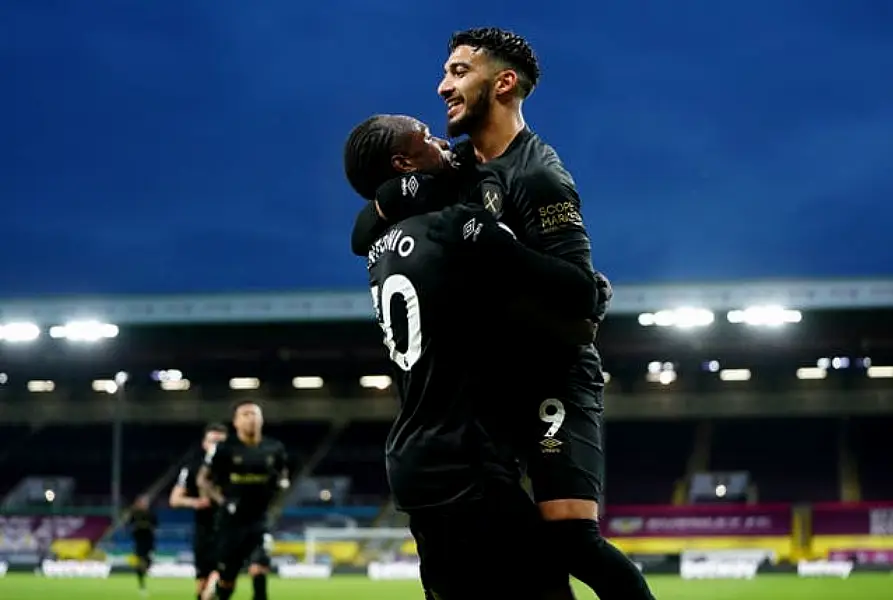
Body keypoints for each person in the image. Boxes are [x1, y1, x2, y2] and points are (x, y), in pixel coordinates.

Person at [350, 28, 654, 600]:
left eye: (460, 72)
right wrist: (397, 198)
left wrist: (498, 247)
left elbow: (580, 292)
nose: (443, 86)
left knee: (568, 539)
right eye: (445, 72)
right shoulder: (456, 167)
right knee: (504, 546)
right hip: (493, 385)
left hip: (553, 377)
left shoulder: (538, 174)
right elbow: (362, 231)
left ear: (504, 82)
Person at [345, 115, 594, 600]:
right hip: (465, 458)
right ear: (404, 164)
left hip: (413, 457)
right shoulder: (456, 228)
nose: (442, 140)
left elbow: (364, 228)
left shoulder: (379, 246)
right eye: (426, 137)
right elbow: (573, 290)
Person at [197, 402, 288, 600]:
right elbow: (203, 479)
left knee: (259, 570)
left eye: (255, 414)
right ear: (236, 422)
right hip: (230, 523)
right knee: (227, 581)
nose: (251, 418)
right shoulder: (224, 449)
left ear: (262, 420)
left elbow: (282, 475)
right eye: (245, 414)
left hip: (259, 520)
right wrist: (223, 501)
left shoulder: (274, 448)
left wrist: (280, 486)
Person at [169, 423, 228, 600]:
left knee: (219, 578)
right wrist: (196, 502)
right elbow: (175, 499)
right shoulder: (192, 469)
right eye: (212, 441)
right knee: (202, 585)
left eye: (220, 442)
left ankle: (212, 590)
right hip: (203, 530)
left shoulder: (234, 469)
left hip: (227, 530)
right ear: (204, 443)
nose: (216, 447)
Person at [129, 495, 157, 595]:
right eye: (143, 502)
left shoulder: (150, 513)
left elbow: (155, 525)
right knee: (140, 561)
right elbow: (129, 524)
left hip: (149, 541)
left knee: (148, 560)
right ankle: (141, 583)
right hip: (139, 542)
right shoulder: (134, 513)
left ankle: (145, 569)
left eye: (146, 502)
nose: (144, 504)